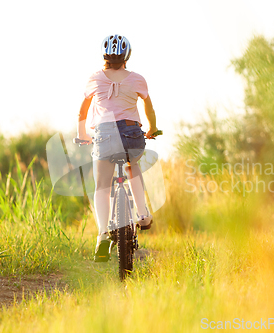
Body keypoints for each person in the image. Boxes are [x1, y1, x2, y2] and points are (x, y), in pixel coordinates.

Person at [77, 34, 158, 262]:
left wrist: (81, 135)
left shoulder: (94, 79)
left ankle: (103, 235)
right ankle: (142, 215)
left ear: (104, 56)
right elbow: (149, 109)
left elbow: (82, 113)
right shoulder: (138, 79)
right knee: (133, 168)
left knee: (102, 186)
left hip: (105, 135)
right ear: (127, 56)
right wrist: (152, 128)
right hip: (132, 133)